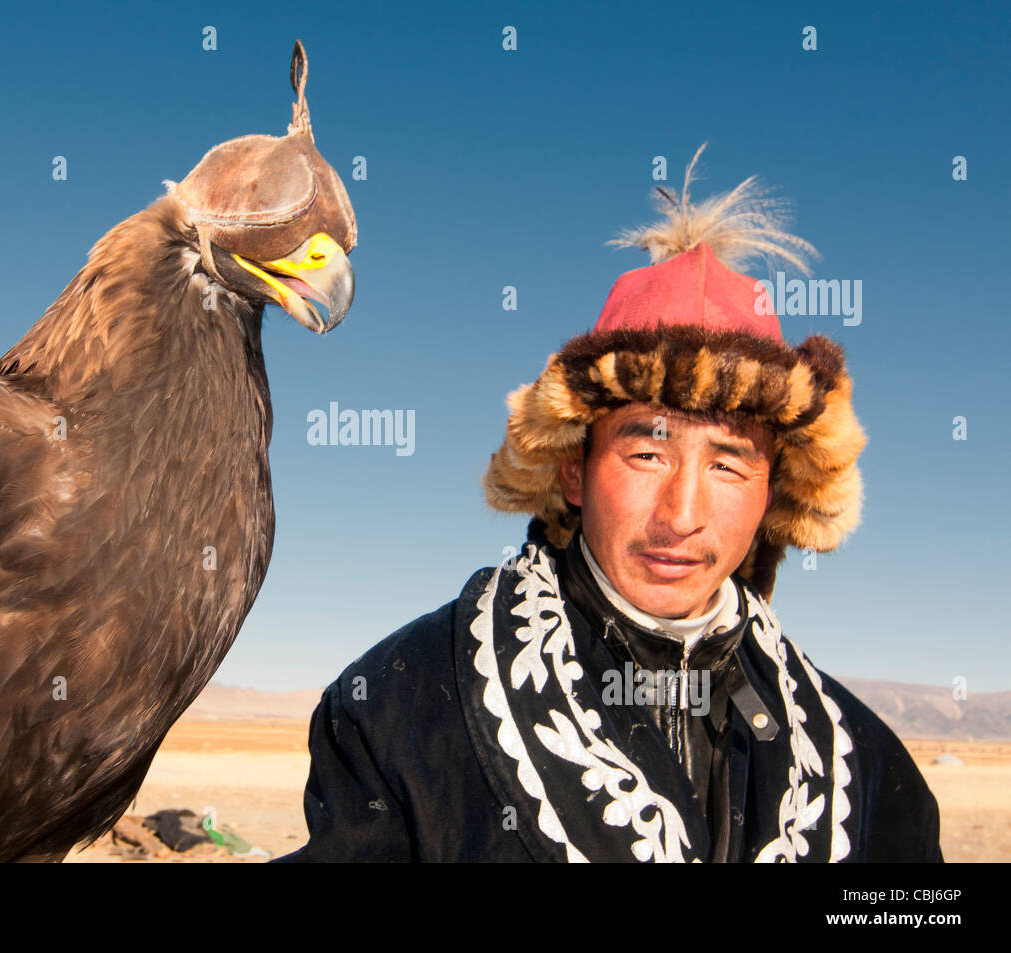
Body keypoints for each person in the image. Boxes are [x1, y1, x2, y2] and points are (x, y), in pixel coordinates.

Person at [276, 149, 942, 862]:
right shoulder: (398, 715)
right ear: (572, 469)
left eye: (728, 463)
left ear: (774, 491)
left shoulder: (870, 776)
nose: (681, 514)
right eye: (647, 454)